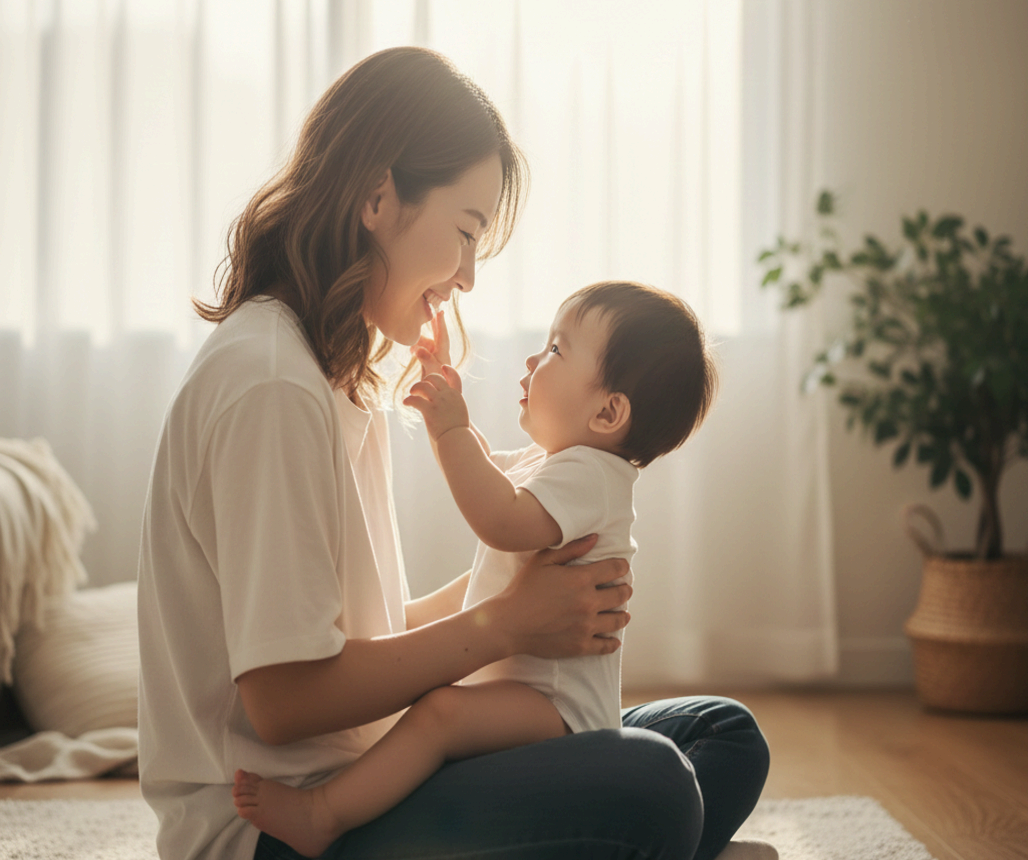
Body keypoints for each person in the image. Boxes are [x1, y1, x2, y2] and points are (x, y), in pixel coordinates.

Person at [137, 46, 771, 860]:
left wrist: (525, 591)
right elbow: (284, 699)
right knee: (655, 786)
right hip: (277, 826)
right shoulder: (273, 387)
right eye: (466, 232)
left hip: (370, 766)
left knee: (718, 737)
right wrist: (505, 624)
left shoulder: (326, 371)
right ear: (377, 198)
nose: (469, 276)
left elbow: (354, 634)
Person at [232, 278, 728, 857]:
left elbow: (501, 518)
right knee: (678, 769)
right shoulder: (555, 464)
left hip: (558, 714)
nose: (533, 358)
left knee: (441, 712)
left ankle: (324, 814)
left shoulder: (593, 475)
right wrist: (444, 387)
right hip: (542, 708)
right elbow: (489, 472)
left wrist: (450, 431)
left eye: (556, 350)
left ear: (608, 411)